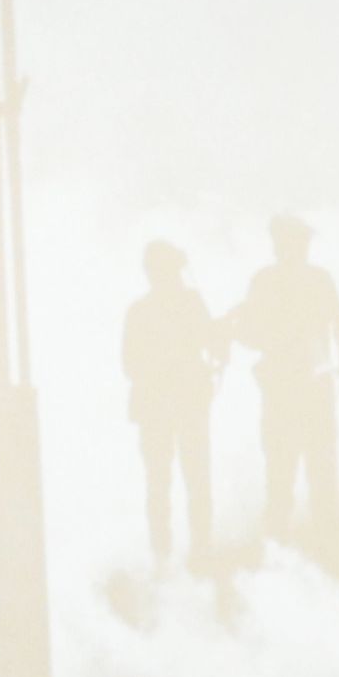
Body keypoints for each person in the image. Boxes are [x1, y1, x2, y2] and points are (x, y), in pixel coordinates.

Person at [224, 219, 339, 543]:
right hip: (307, 387)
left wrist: (237, 329)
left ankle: (284, 538)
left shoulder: (268, 281)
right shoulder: (315, 280)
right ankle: (317, 536)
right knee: (310, 465)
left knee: (285, 467)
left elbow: (249, 332)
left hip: (286, 388)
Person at [120, 241, 226, 570]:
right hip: (177, 404)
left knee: (167, 482)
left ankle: (171, 554)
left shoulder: (144, 310)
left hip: (166, 405)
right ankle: (187, 552)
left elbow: (129, 363)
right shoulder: (187, 304)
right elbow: (130, 363)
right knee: (184, 481)